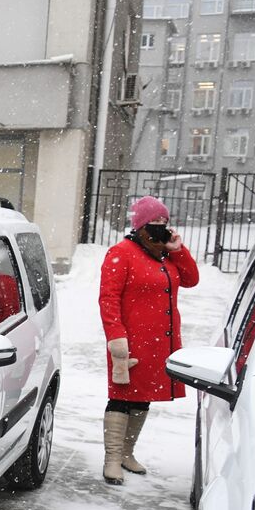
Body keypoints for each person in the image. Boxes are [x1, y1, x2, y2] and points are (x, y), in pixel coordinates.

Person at [98, 195, 200, 485]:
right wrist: (116, 337)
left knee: (144, 396)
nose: (160, 226)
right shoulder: (121, 253)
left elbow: (191, 279)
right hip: (129, 342)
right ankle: (112, 459)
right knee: (120, 397)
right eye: (154, 222)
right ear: (141, 224)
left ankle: (127, 453)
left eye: (164, 222)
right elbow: (108, 299)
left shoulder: (166, 254)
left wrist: (178, 251)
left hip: (160, 341)